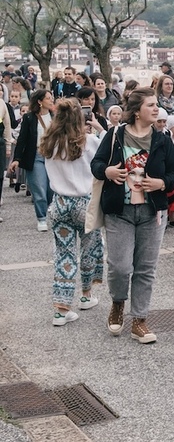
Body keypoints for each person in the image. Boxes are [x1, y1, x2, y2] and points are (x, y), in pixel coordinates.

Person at [91, 88, 174, 344]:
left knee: (145, 269)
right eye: (151, 105)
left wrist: (161, 183)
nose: (156, 109)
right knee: (120, 266)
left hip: (152, 213)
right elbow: (96, 165)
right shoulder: (115, 135)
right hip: (120, 212)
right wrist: (107, 172)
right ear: (137, 110)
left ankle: (139, 320)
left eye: (156, 105)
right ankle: (118, 303)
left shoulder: (162, 139)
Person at [39, 98, 106, 326]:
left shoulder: (49, 142)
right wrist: (98, 127)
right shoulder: (89, 141)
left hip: (59, 203)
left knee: (63, 255)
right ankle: (86, 295)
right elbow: (110, 147)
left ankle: (61, 308)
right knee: (90, 249)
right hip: (84, 203)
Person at [10, 89, 56, 231]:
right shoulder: (29, 118)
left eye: (51, 97)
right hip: (36, 155)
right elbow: (22, 139)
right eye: (48, 98)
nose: (51, 100)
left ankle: (50, 210)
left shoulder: (55, 117)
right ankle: (41, 218)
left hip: (53, 157)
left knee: (51, 189)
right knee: (39, 188)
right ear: (40, 102)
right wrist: (17, 159)